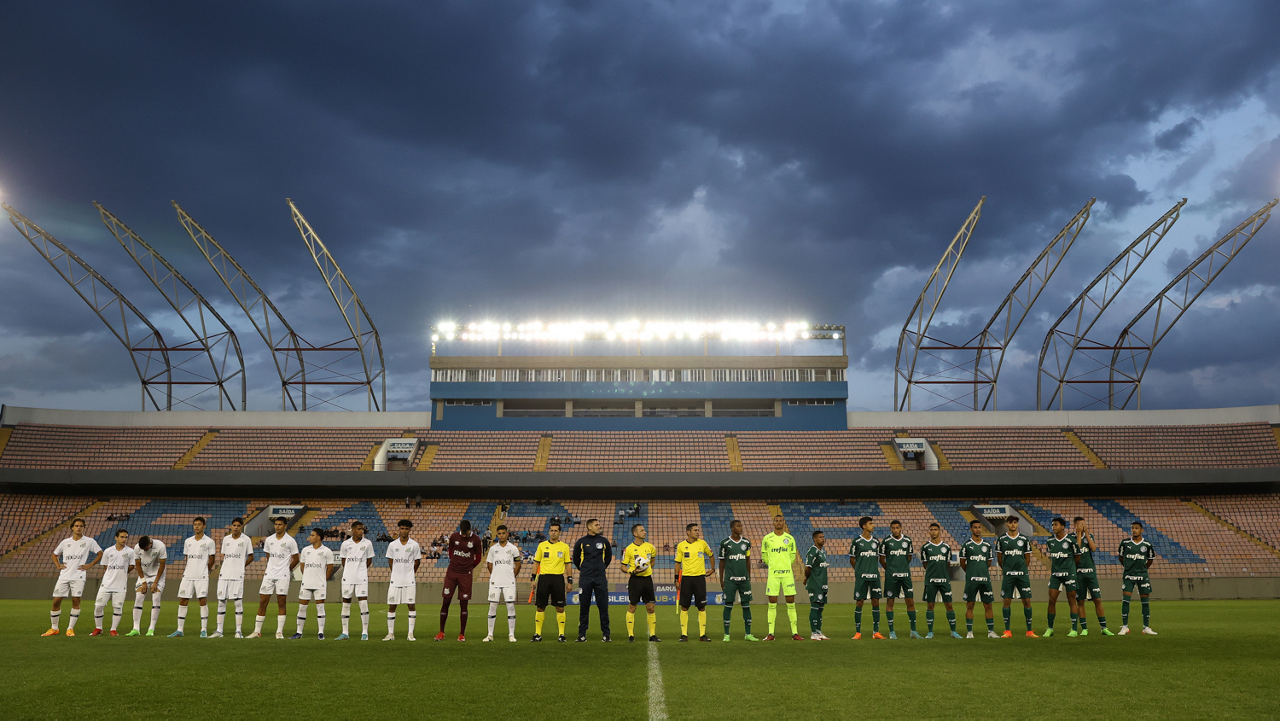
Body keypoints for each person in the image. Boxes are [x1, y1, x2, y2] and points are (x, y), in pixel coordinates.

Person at [43, 518, 101, 637]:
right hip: (64, 576)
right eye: (76, 526)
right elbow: (54, 554)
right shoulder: (65, 542)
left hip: (78, 576)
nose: (79, 528)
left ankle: (70, 628)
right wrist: (58, 565)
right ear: (72, 528)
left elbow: (100, 553)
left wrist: (90, 565)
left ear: (84, 528)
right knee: (56, 601)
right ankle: (54, 628)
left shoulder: (89, 541)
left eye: (81, 526)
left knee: (76, 601)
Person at [250, 517, 299, 639]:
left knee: (281, 602)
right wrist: (272, 568)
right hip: (269, 574)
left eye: (280, 524)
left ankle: (279, 632)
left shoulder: (290, 541)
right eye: (276, 524)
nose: (277, 526)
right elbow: (269, 556)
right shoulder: (269, 540)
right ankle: (257, 631)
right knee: (263, 601)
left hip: (283, 575)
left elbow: (296, 558)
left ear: (285, 526)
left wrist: (286, 569)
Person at [169, 517, 215, 638]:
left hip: (202, 576)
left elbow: (212, 559)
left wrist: (205, 570)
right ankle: (179, 630)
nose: (197, 526)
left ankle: (203, 630)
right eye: (195, 524)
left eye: (199, 524)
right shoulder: (188, 541)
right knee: (183, 600)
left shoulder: (209, 542)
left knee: (202, 600)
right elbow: (187, 558)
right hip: (188, 575)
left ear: (204, 526)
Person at [438, 519, 483, 641]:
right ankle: (441, 632)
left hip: (465, 575)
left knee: (464, 603)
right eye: (462, 532)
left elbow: (479, 557)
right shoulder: (454, 537)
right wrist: (453, 561)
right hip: (452, 573)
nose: (464, 535)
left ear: (470, 530)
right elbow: (451, 550)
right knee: (446, 601)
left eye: (466, 533)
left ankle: (462, 634)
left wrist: (469, 567)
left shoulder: (476, 540)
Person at [760, 514, 803, 641]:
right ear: (773, 523)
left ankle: (795, 633)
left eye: (781, 520)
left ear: (783, 522)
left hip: (787, 574)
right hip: (773, 575)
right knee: (772, 602)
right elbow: (764, 556)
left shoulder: (789, 539)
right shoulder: (767, 538)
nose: (779, 522)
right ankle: (771, 633)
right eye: (776, 521)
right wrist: (773, 565)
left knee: (791, 602)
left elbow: (792, 556)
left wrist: (785, 566)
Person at [996, 515, 1038, 638]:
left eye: (1015, 522)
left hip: (1022, 575)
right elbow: (1000, 559)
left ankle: (1029, 631)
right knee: (1006, 600)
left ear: (1017, 524)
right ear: (1006, 525)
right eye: (1010, 522)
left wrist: (1022, 569)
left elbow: (1027, 558)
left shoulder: (1024, 539)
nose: (1013, 524)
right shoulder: (1001, 540)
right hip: (1008, 575)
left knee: (1027, 600)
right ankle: (1007, 631)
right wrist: (1007, 569)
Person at [572, 518, 613, 642]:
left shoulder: (604, 541)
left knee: (603, 606)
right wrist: (585, 569)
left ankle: (606, 634)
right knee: (584, 606)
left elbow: (608, 558)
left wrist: (601, 568)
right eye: (596, 524)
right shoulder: (581, 542)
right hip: (585, 578)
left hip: (600, 577)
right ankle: (582, 634)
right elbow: (576, 559)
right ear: (589, 527)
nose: (599, 526)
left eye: (599, 524)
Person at [212, 517, 254, 638]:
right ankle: (219, 631)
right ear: (231, 526)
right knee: (221, 601)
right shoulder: (226, 539)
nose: (236, 527)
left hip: (237, 574)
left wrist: (241, 566)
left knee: (238, 601)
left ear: (241, 527)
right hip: (224, 573)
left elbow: (251, 557)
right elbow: (225, 555)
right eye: (234, 525)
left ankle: (238, 631)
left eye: (238, 526)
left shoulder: (246, 539)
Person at [717, 519, 758, 642]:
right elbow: (722, 562)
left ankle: (748, 634)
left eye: (741, 526)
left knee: (746, 605)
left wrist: (748, 577)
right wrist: (721, 579)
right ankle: (726, 634)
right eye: (738, 526)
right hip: (730, 580)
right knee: (728, 605)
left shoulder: (746, 543)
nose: (741, 528)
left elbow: (747, 560)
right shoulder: (725, 543)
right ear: (732, 528)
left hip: (744, 580)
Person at [531, 521, 572, 642]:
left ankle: (561, 634)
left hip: (558, 578)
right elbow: (536, 563)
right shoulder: (542, 546)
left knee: (560, 607)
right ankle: (538, 634)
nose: (553, 533)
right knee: (540, 607)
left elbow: (568, 564)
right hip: (544, 578)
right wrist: (533, 578)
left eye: (556, 531)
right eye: (551, 530)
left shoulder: (564, 547)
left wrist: (569, 580)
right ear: (549, 532)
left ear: (559, 532)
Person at [1073, 517, 1113, 636]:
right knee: (1080, 601)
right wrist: (1079, 534)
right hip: (1078, 573)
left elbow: (1094, 548)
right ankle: (1084, 629)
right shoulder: (1071, 537)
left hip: (1090, 572)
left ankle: (1104, 628)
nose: (1083, 526)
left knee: (1097, 599)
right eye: (1081, 524)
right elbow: (1077, 549)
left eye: (1084, 524)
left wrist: (1086, 534)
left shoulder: (1089, 536)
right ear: (1075, 525)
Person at [880, 519, 920, 639]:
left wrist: (902, 567)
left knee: (910, 602)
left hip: (905, 576)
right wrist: (890, 569)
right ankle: (892, 632)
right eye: (893, 528)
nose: (895, 530)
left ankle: (913, 631)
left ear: (901, 528)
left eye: (897, 528)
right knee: (890, 601)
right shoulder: (886, 541)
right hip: (891, 577)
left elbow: (909, 557)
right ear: (890, 529)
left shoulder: (907, 540)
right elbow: (881, 559)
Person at [959, 519, 998, 639]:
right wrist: (971, 572)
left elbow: (988, 563)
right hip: (972, 580)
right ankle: (969, 632)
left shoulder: (987, 545)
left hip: (985, 580)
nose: (977, 529)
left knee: (988, 605)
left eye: (979, 527)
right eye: (975, 527)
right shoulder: (967, 545)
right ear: (971, 529)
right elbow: (962, 563)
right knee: (970, 604)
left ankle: (991, 632)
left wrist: (981, 571)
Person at [920, 522, 960, 638]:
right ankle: (930, 632)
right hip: (930, 581)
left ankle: (953, 632)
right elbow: (925, 564)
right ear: (929, 532)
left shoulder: (946, 547)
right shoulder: (925, 548)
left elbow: (947, 564)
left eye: (935, 530)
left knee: (949, 605)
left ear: (939, 531)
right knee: (930, 605)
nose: (933, 532)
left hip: (944, 580)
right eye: (931, 530)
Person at [91, 529, 135, 636]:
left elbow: (132, 566)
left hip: (120, 585)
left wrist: (122, 573)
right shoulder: (108, 551)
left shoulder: (130, 552)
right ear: (116, 538)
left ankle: (113, 629)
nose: (124, 539)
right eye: (122, 537)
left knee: (118, 607)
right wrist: (112, 574)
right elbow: (105, 566)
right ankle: (98, 628)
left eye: (126, 537)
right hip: (106, 584)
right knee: (98, 606)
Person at [675, 522, 714, 642]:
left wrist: (712, 569)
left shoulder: (703, 543)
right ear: (688, 532)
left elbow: (711, 555)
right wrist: (676, 579)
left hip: (699, 578)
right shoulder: (681, 546)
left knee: (701, 607)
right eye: (695, 530)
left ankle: (702, 635)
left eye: (698, 530)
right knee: (684, 607)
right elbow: (677, 563)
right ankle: (684, 634)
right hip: (686, 578)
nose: (698, 532)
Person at [293, 528, 335, 639]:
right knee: (302, 607)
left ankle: (320, 633)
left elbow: (330, 568)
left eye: (312, 535)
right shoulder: (305, 550)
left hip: (319, 584)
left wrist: (323, 580)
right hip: (306, 583)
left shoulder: (327, 551)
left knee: (320, 607)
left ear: (318, 537)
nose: (310, 537)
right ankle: (299, 632)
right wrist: (307, 577)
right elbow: (302, 567)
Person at [483, 524, 522, 642]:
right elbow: (489, 564)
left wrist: (512, 576)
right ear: (497, 535)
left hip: (509, 582)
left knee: (510, 606)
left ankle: (511, 635)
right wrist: (495, 575)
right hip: (495, 582)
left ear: (507, 534)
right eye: (499, 534)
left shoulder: (513, 548)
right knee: (492, 605)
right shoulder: (493, 549)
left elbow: (518, 564)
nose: (501, 536)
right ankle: (490, 634)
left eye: (503, 533)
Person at [337, 520, 375, 640]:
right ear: (352, 530)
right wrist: (350, 570)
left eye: (362, 529)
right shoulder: (345, 544)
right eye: (358, 529)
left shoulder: (367, 543)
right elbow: (344, 560)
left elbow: (369, 560)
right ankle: (345, 632)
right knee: (346, 603)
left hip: (361, 577)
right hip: (348, 577)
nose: (361, 531)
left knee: (363, 603)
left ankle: (365, 633)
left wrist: (361, 569)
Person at [622, 523, 660, 642]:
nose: (645, 532)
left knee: (651, 607)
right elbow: (623, 566)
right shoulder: (628, 549)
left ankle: (652, 635)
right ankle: (631, 635)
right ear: (635, 533)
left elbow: (652, 561)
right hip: (635, 580)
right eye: (642, 530)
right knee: (632, 606)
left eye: (644, 530)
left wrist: (645, 569)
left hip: (647, 580)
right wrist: (632, 571)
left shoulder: (650, 547)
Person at [1043, 517, 1081, 638]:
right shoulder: (1050, 541)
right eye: (1053, 525)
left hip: (1069, 574)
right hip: (1055, 575)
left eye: (1056, 525)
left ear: (1063, 527)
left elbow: (1077, 557)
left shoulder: (1071, 540)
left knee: (1072, 600)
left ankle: (1074, 629)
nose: (1053, 527)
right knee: (1051, 600)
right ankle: (1050, 628)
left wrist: (1070, 569)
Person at [385, 519, 422, 641]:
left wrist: (410, 573)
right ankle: (390, 634)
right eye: (402, 528)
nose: (404, 531)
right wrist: (396, 572)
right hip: (395, 580)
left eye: (406, 529)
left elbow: (417, 561)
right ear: (399, 529)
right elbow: (391, 561)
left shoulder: (414, 545)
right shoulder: (392, 545)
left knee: (411, 605)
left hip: (409, 580)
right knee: (392, 606)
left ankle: (410, 634)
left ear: (409, 530)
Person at [1118, 521, 1157, 635]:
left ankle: (1146, 627)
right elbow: (1121, 557)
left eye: (1136, 528)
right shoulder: (1125, 543)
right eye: (1133, 528)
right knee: (1126, 600)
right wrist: (1128, 567)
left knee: (1145, 602)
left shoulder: (1147, 544)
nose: (1134, 530)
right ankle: (1125, 627)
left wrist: (1143, 569)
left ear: (1141, 530)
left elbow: (1150, 559)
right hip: (1128, 575)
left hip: (1142, 576)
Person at [849, 516, 883, 639]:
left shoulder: (876, 542)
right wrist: (858, 571)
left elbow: (878, 558)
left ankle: (876, 632)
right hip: (862, 577)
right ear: (864, 526)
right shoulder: (857, 542)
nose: (873, 525)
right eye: (870, 523)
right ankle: (858, 632)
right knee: (859, 602)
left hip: (874, 576)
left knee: (876, 602)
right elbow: (852, 559)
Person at [127, 535, 166, 636]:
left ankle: (151, 629)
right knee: (138, 598)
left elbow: (162, 565)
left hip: (157, 575)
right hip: (144, 574)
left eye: (145, 548)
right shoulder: (137, 548)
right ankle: (136, 629)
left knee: (156, 597)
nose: (144, 550)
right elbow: (138, 565)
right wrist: (143, 581)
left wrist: (156, 582)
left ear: (150, 543)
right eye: (142, 548)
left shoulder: (160, 546)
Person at [803, 530, 830, 640]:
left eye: (823, 537)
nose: (823, 539)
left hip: (823, 584)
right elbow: (807, 568)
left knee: (820, 608)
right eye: (820, 537)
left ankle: (819, 632)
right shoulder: (812, 551)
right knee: (815, 607)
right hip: (815, 584)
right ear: (815, 539)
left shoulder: (822, 552)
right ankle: (813, 633)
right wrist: (807, 579)